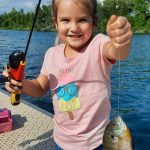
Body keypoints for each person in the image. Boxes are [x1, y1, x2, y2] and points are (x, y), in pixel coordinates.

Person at [3, 0, 132, 149]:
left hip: (96, 142)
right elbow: (39, 88)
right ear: (55, 22)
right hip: (61, 141)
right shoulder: (51, 54)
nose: (74, 28)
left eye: (82, 20)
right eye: (65, 20)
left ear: (94, 20)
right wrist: (21, 84)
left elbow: (117, 51)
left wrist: (120, 41)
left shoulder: (98, 45)